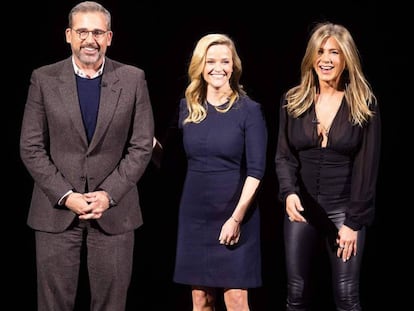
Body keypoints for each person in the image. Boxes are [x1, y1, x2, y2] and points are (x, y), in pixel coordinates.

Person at [19, 2, 154, 310]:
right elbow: (31, 146)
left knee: (112, 305)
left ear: (109, 37)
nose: (89, 40)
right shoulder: (44, 78)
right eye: (82, 31)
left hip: (114, 213)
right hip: (55, 212)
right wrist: (66, 195)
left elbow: (142, 144)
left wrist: (109, 194)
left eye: (97, 32)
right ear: (68, 35)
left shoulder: (133, 79)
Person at [275, 22, 381, 310]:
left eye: (334, 52)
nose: (326, 59)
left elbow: (367, 168)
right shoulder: (292, 100)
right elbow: (284, 156)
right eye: (320, 51)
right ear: (311, 58)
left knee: (347, 295)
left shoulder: (363, 103)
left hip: (344, 211)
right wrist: (289, 193)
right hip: (302, 210)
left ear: (345, 58)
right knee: (296, 294)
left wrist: (353, 222)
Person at [172, 33, 268, 310]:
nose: (218, 67)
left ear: (233, 66)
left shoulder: (249, 110)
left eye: (225, 61)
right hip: (194, 214)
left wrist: (236, 218)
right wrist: (145, 144)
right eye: (211, 61)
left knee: (236, 298)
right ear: (200, 66)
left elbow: (257, 170)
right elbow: (171, 161)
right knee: (201, 300)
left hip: (236, 211)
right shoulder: (187, 108)